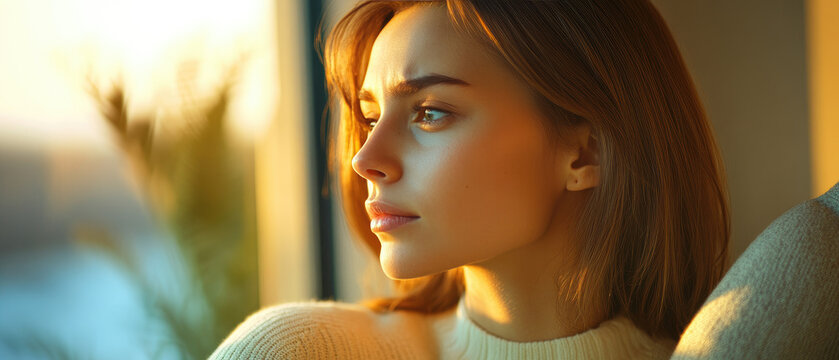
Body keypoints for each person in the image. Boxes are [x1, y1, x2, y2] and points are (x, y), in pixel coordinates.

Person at [210, 0, 730, 359]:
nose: (365, 159)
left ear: (584, 152)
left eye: (430, 113)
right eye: (370, 117)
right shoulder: (296, 351)